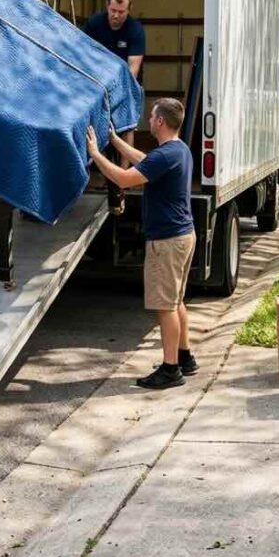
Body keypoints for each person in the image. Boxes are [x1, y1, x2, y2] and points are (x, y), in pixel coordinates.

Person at [86, 98, 197, 391]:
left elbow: (123, 179)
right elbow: (143, 161)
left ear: (160, 121)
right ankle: (185, 357)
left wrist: (96, 154)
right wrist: (115, 141)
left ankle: (171, 369)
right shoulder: (177, 150)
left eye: (152, 115)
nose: (149, 118)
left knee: (165, 306)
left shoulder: (165, 155)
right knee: (176, 301)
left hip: (167, 241)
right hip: (183, 235)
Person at [84, 0, 145, 82]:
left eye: (121, 12)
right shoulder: (93, 24)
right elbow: (85, 56)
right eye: (113, 10)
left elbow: (133, 70)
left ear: (129, 9)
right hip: (98, 81)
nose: (116, 15)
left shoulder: (136, 30)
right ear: (107, 5)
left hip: (127, 82)